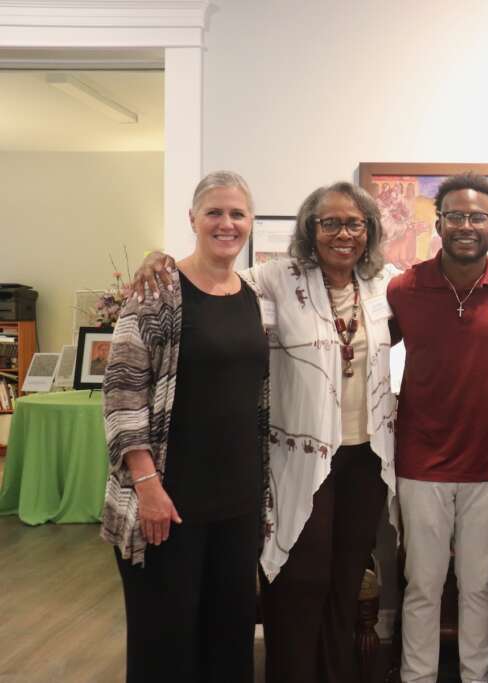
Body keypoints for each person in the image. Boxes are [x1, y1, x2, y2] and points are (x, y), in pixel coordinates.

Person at [130, 181, 401, 682]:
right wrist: (157, 258)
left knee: (345, 580)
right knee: (300, 580)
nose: (343, 233)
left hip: (365, 458)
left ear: (369, 230)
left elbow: (440, 287)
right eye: (330, 223)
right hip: (302, 457)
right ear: (309, 229)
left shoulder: (385, 283)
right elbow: (211, 279)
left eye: (354, 223)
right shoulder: (275, 279)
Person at [102, 170, 270, 682]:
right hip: (169, 505)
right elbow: (122, 392)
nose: (226, 223)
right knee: (165, 647)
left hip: (237, 505)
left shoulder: (252, 294)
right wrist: (148, 486)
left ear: (250, 223)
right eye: (214, 212)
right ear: (192, 219)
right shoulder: (158, 292)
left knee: (229, 642)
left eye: (237, 213)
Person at [387, 172, 488, 683]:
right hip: (420, 463)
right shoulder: (404, 288)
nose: (466, 225)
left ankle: (478, 677)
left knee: (479, 586)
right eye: (455, 216)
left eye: (477, 217)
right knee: (422, 585)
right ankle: (417, 677)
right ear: (439, 222)